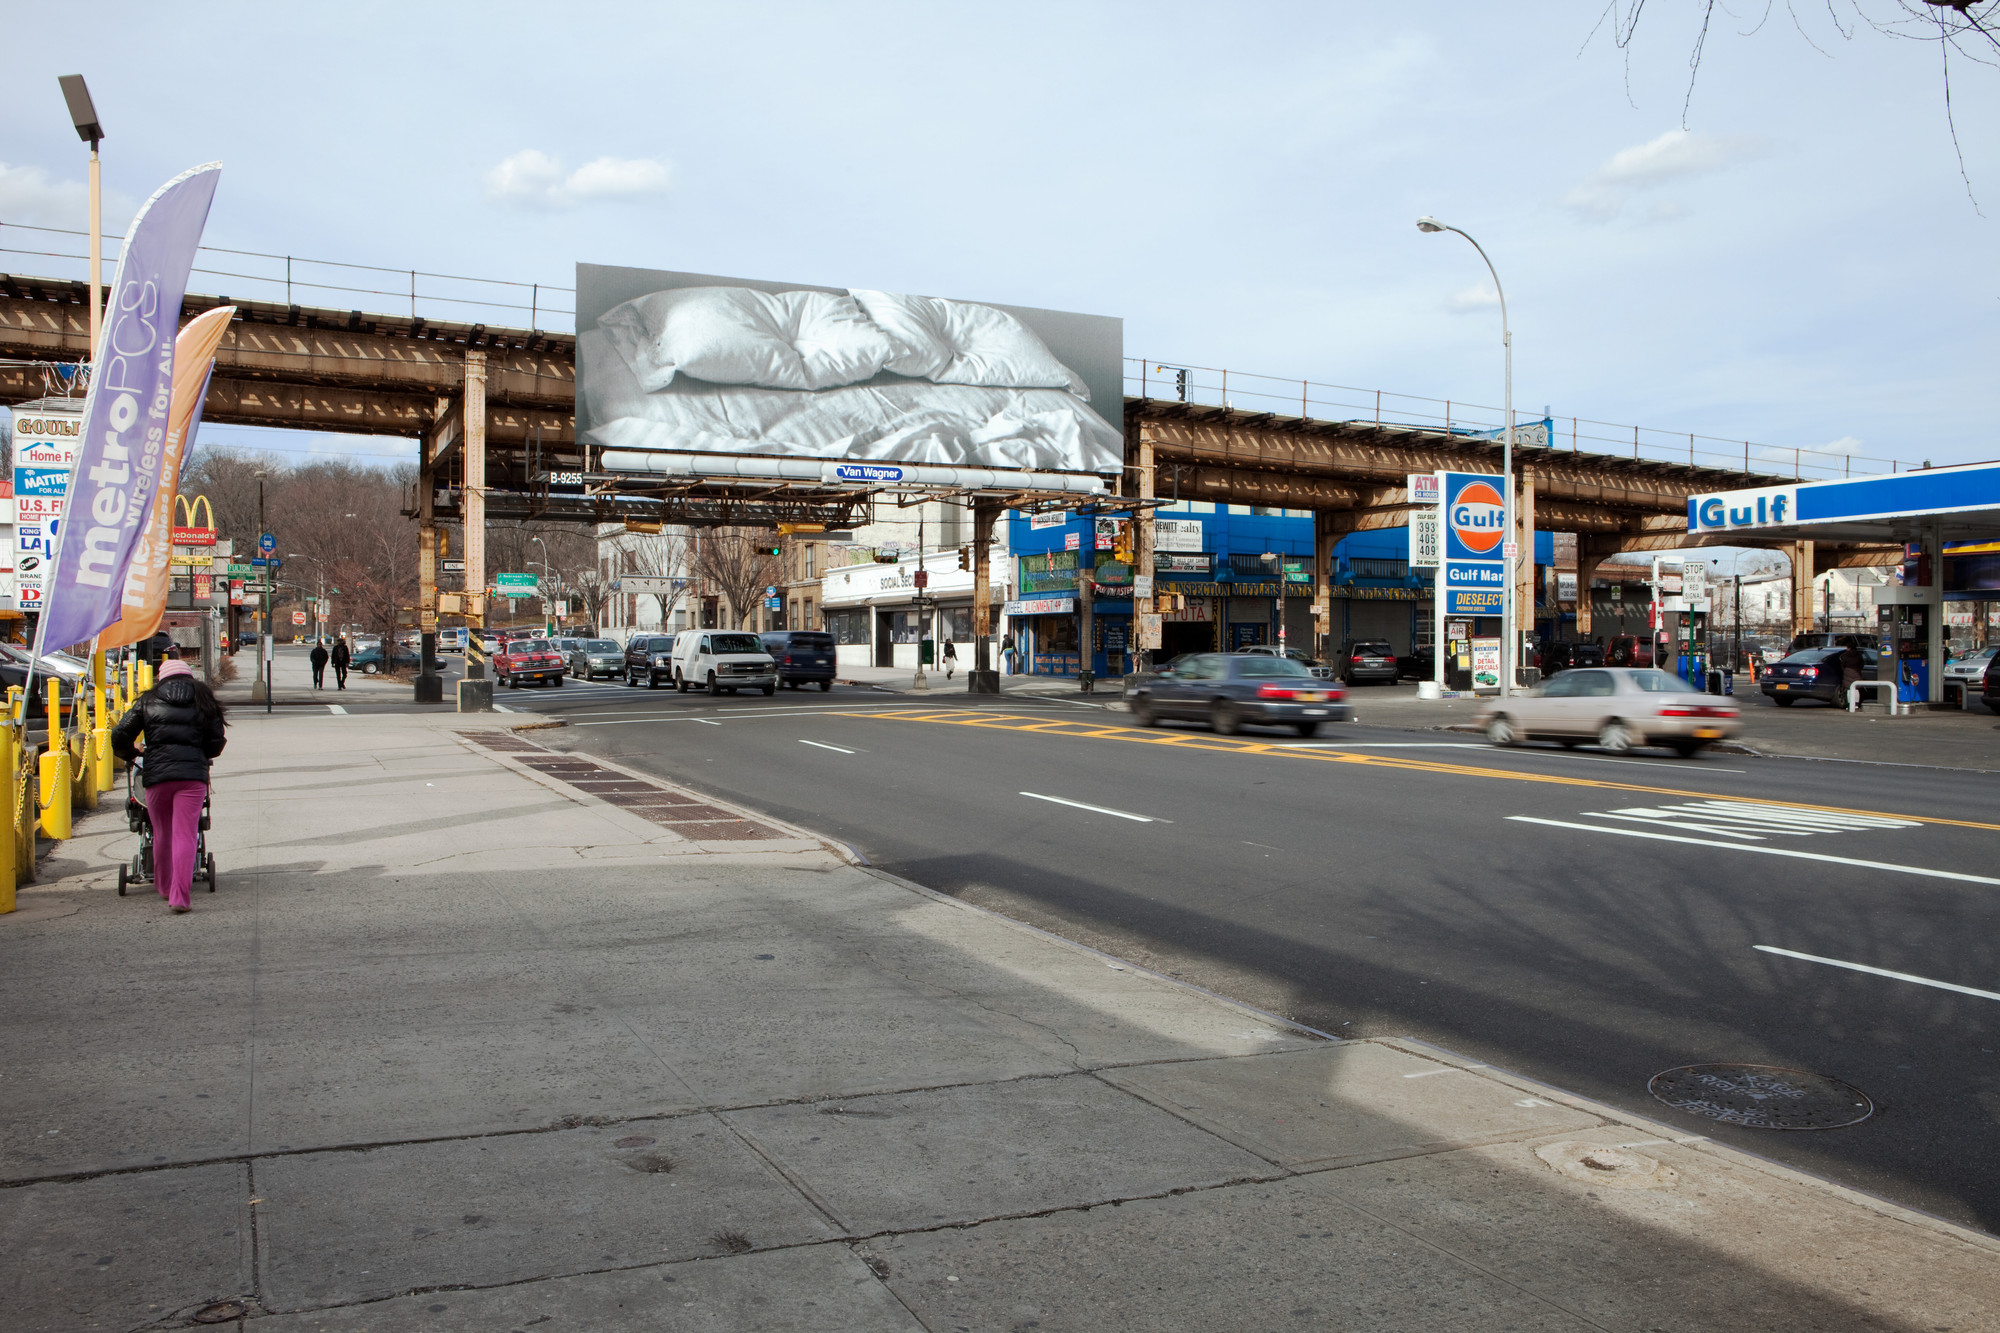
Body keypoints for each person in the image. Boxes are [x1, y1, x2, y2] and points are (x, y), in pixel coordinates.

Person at [111, 651, 227, 914]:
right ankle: (180, 896)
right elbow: (216, 740)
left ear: (161, 678)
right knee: (186, 833)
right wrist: (200, 754)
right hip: (191, 778)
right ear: (189, 676)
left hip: (157, 776)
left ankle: (163, 886)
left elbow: (120, 734)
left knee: (161, 833)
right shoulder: (203, 699)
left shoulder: (148, 701)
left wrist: (133, 753)